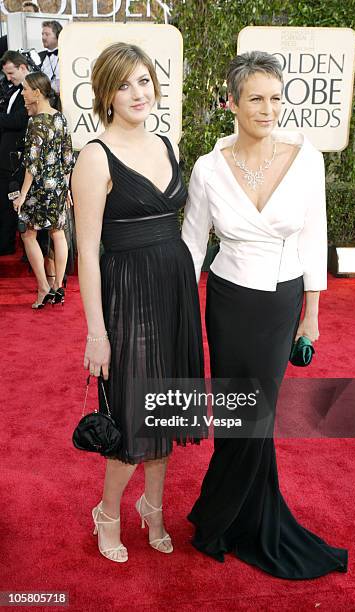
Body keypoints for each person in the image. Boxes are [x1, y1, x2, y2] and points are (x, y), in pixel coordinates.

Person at [182, 51, 348, 579]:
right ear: (231, 102)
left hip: (281, 301)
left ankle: (225, 515)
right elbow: (191, 243)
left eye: (276, 97)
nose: (269, 107)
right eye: (256, 97)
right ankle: (229, 516)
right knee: (237, 414)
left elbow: (314, 235)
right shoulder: (209, 168)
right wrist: (178, 305)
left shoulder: (307, 159)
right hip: (228, 301)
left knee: (258, 415)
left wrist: (311, 315)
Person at [72, 42, 204, 564]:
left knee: (166, 408)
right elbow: (86, 250)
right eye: (124, 84)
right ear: (105, 92)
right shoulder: (94, 155)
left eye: (144, 81)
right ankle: (108, 512)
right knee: (135, 413)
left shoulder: (167, 144)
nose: (137, 93)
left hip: (174, 290)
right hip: (128, 294)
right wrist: (96, 332)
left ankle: (154, 508)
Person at [13, 71, 73, 308]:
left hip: (38, 190)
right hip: (58, 186)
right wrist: (66, 188)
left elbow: (32, 164)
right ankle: (59, 287)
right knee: (58, 234)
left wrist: (23, 195)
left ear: (37, 93)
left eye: (25, 89)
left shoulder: (35, 122)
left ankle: (43, 288)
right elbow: (67, 158)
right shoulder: (60, 118)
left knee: (28, 235)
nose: (23, 94)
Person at [0, 51, 29, 255]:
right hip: (7, 157)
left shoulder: (30, 91)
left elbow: (19, 120)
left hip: (16, 159)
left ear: (22, 68)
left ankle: (7, 244)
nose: (8, 78)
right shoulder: (15, 91)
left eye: (11, 73)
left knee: (11, 201)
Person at [39, 21, 62, 95]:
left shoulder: (68, 55)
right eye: (42, 34)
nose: (43, 37)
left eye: (47, 34)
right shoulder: (39, 56)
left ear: (58, 35)